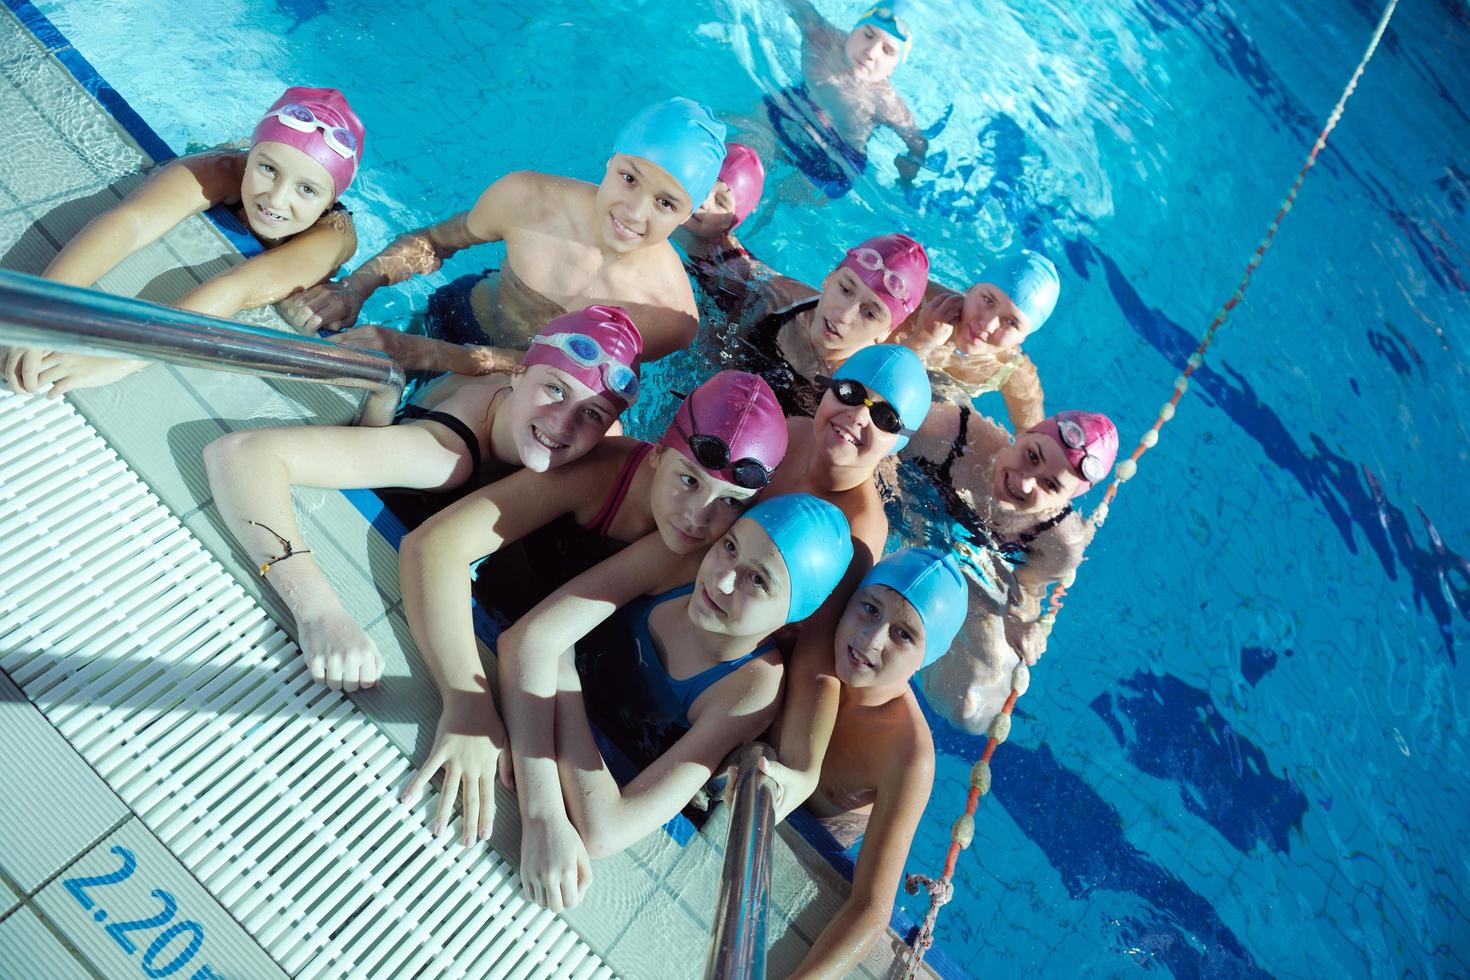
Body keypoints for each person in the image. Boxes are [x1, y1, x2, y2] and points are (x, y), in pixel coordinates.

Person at [395, 371, 790, 850]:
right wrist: (468, 704)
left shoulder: (712, 556)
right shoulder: (601, 475)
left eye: (729, 503)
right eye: (688, 480)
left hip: (546, 645)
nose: (697, 517)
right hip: (498, 593)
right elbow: (434, 546)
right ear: (659, 454)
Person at [201, 305, 642, 693]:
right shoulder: (444, 456)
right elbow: (241, 456)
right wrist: (319, 614)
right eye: (556, 389)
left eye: (591, 412)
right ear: (518, 372)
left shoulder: (604, 445)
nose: (564, 424)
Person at [498, 493, 853, 911]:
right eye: (730, 546)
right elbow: (524, 640)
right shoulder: (681, 564)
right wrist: (544, 814)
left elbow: (606, 830)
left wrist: (562, 674)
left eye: (758, 581)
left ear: (795, 617)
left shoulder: (751, 688)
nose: (722, 581)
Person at [280, 97, 725, 374]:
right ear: (610, 160)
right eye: (629, 178)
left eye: (666, 203)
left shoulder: (669, 316)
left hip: (524, 388)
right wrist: (354, 289)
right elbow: (435, 242)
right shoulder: (528, 197)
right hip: (459, 315)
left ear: (688, 215)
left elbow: (571, 379)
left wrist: (435, 356)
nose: (634, 211)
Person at [2, 86, 363, 396]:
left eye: (306, 189)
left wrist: (120, 357)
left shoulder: (331, 237)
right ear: (249, 156)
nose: (276, 199)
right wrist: (40, 309)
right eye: (267, 169)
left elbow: (236, 287)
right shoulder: (223, 168)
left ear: (330, 200)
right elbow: (131, 222)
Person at [763, 548, 968, 978]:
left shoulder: (907, 756)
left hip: (814, 841)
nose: (870, 640)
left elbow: (873, 907)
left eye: (903, 635)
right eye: (869, 609)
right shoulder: (811, 638)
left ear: (927, 659)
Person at [907, 407, 1118, 733]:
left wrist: (1021, 621)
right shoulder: (953, 432)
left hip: (968, 567)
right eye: (1031, 456)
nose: (1023, 480)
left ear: (1063, 502)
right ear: (1023, 434)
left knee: (970, 709)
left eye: (1049, 485)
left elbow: (1027, 588)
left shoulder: (1059, 544)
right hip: (905, 517)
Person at [727, 233, 929, 417]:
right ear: (829, 278)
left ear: (886, 332)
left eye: (869, 313)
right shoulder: (779, 298)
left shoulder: (865, 393)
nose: (844, 314)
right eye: (845, 289)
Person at [760, 0, 927, 198]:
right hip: (790, 111)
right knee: (745, 150)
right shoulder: (821, 38)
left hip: (837, 159)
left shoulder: (887, 103)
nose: (871, 52)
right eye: (868, 35)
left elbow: (918, 143)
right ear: (854, 29)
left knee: (784, 196)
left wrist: (907, 172)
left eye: (887, 51)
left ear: (893, 68)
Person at [893, 249, 1061, 430]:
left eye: (1011, 322)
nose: (987, 325)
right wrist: (922, 340)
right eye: (988, 300)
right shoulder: (916, 300)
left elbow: (1031, 436)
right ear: (970, 289)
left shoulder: (1012, 370)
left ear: (1023, 337)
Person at [675, 143, 776, 325]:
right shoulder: (669, 205)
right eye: (704, 184)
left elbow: (724, 327)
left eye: (720, 202)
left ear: (730, 224)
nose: (704, 201)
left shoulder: (731, 271)